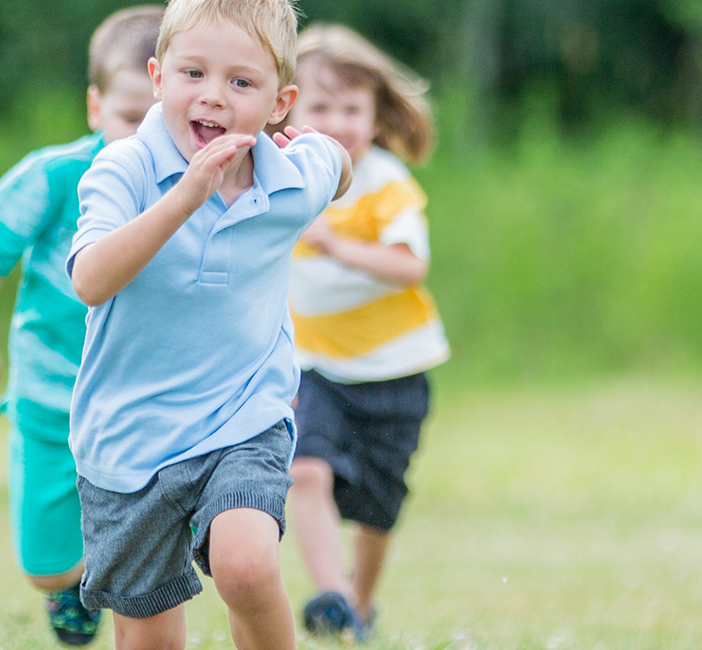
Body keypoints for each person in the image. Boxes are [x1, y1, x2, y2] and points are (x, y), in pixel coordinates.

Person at [65, 0, 354, 646]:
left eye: (241, 82)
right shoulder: (125, 168)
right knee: (151, 640)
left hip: (243, 419)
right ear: (158, 76)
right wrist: (184, 197)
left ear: (281, 102)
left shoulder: (286, 179)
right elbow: (90, 279)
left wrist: (328, 163)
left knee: (247, 565)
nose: (214, 97)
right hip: (128, 441)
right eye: (193, 74)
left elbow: (333, 163)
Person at [0, 5, 162, 645]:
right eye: (127, 117)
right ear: (94, 107)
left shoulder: (194, 190)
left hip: (145, 403)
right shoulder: (57, 175)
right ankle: (74, 580)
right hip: (50, 397)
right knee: (45, 567)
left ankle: (134, 582)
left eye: (160, 119)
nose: (143, 138)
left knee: (152, 533)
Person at [277, 24, 445, 643]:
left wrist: (334, 244)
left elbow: (411, 265)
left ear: (376, 119)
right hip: (313, 363)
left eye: (353, 109)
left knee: (378, 507)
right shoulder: (281, 176)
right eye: (321, 107)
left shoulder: (386, 182)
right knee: (306, 470)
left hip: (394, 369)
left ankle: (362, 603)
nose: (339, 122)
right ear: (288, 107)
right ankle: (330, 595)